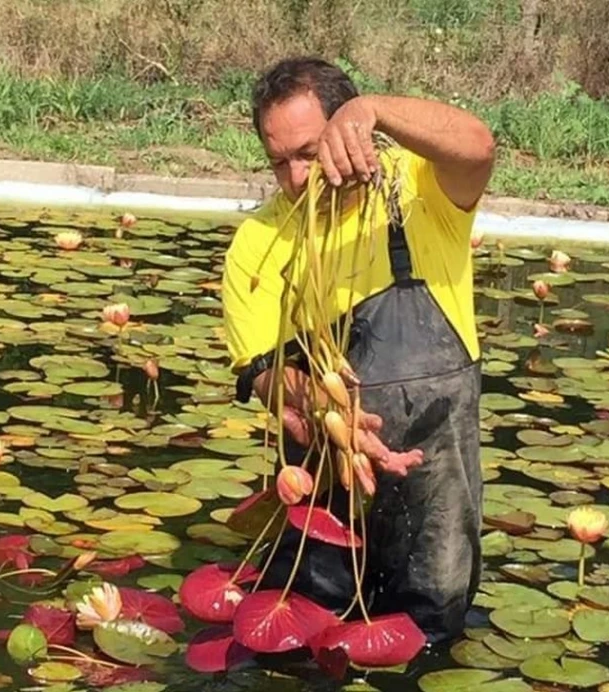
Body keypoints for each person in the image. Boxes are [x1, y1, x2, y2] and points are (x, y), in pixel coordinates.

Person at [222, 56, 495, 643]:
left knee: (430, 637)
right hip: (325, 483)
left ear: (350, 132)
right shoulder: (259, 242)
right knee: (305, 641)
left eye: (309, 152)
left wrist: (376, 108)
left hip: (435, 498)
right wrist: (327, 408)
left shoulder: (416, 194)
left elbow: (477, 145)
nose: (297, 178)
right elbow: (260, 370)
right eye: (279, 162)